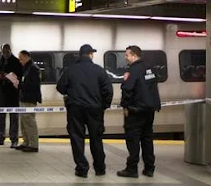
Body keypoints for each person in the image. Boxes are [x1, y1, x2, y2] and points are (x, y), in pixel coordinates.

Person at [56, 44, 113, 177]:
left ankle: (82, 168)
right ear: (90, 55)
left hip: (75, 109)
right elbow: (108, 90)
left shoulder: (71, 70)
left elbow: (60, 87)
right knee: (96, 138)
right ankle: (100, 168)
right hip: (95, 110)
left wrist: (70, 92)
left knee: (76, 138)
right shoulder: (99, 70)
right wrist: (104, 106)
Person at [117, 45, 161, 178]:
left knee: (133, 139)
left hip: (135, 111)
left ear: (134, 55)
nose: (126, 58)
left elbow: (127, 89)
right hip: (150, 110)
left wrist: (125, 106)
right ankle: (149, 168)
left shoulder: (133, 70)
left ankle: (132, 169)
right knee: (147, 139)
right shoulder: (150, 69)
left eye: (127, 55)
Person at [0, 43, 23, 147]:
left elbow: (20, 75)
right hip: (0, 94)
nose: (6, 53)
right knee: (0, 117)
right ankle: (0, 137)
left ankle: (14, 139)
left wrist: (11, 77)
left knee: (14, 118)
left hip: (12, 94)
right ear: (1, 51)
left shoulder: (16, 61)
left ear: (10, 50)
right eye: (4, 51)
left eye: (7, 51)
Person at [17, 50, 41, 153]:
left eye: (21, 58)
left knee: (30, 121)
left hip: (29, 99)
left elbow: (33, 85)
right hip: (24, 98)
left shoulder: (33, 69)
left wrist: (20, 85)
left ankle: (33, 144)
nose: (20, 60)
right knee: (24, 122)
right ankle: (26, 142)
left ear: (27, 57)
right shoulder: (26, 68)